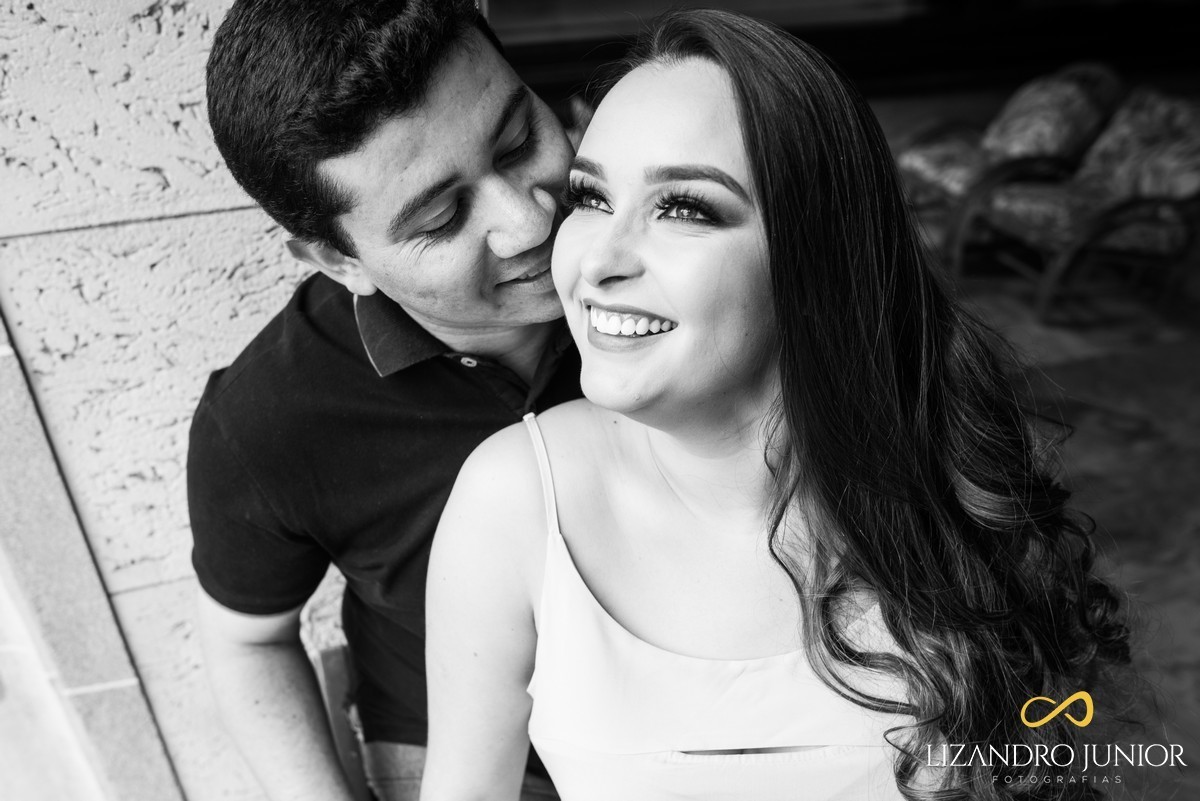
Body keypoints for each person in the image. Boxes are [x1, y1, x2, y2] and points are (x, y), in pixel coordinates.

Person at [422, 9, 1131, 800]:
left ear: (814, 259)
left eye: (684, 209)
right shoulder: (515, 499)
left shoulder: (957, 493)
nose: (598, 261)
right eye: (589, 197)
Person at [189, 1, 580, 799]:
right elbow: (247, 642)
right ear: (339, 260)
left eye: (518, 142)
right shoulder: (268, 417)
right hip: (451, 743)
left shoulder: (667, 245)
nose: (529, 220)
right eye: (442, 217)